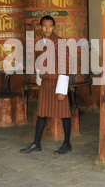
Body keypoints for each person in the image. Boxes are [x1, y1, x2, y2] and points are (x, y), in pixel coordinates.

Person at [21, 15, 72, 155]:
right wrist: (39, 78)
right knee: (41, 114)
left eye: (50, 26)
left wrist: (62, 89)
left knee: (64, 114)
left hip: (57, 82)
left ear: (54, 27)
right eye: (44, 26)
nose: (47, 28)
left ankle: (67, 143)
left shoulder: (60, 43)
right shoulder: (40, 43)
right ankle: (36, 143)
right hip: (45, 83)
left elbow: (65, 65)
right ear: (41, 27)